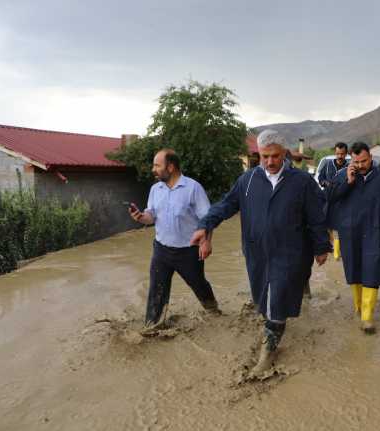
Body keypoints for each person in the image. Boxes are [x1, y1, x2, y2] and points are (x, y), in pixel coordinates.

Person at [190, 130, 330, 375]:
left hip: (290, 252)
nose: (269, 162)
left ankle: (269, 349)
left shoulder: (302, 182)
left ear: (285, 154)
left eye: (275, 156)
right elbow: (225, 205)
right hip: (257, 252)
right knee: (263, 297)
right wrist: (205, 224)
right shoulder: (248, 180)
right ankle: (272, 322)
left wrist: (321, 247)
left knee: (277, 300)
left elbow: (316, 217)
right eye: (264, 156)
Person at [129, 149, 219, 335]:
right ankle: (152, 325)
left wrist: (206, 242)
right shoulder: (156, 189)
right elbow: (151, 216)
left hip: (189, 251)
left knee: (198, 284)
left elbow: (207, 218)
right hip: (161, 250)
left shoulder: (193, 188)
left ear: (171, 167)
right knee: (157, 289)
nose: (153, 169)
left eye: (157, 165)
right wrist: (141, 217)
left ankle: (213, 310)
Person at [326, 142, 380, 334]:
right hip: (350, 233)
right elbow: (329, 198)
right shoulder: (342, 176)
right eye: (356, 161)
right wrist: (347, 183)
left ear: (371, 158)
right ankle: (358, 308)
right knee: (354, 270)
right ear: (351, 159)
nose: (360, 165)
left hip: (376, 232)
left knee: (372, 271)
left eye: (364, 161)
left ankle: (367, 317)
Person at [317, 142, 349, 260]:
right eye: (337, 154)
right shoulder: (328, 164)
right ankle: (329, 246)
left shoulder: (349, 167)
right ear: (335, 153)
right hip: (327, 199)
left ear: (346, 154)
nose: (340, 156)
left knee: (338, 225)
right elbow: (320, 178)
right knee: (326, 224)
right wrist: (324, 182)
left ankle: (337, 251)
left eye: (342, 154)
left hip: (342, 200)